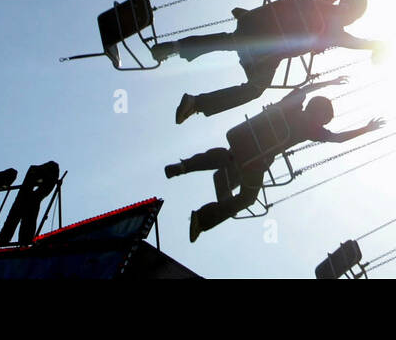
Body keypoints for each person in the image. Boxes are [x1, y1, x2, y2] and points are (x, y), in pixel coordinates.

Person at [164, 83, 384, 240]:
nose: (322, 122)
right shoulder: (312, 129)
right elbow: (338, 138)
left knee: (228, 156)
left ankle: (185, 166)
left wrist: (329, 82)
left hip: (242, 137)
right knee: (248, 198)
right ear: (320, 116)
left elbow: (307, 88)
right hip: (256, 160)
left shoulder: (293, 104)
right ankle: (202, 219)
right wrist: (366, 129)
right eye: (323, 119)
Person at [162, 0, 385, 121]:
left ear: (345, 1)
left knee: (230, 41)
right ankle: (196, 103)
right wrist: (380, 46)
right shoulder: (337, 33)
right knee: (255, 89)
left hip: (254, 25)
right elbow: (361, 43)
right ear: (354, 17)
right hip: (266, 55)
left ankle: (176, 47)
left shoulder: (321, 2)